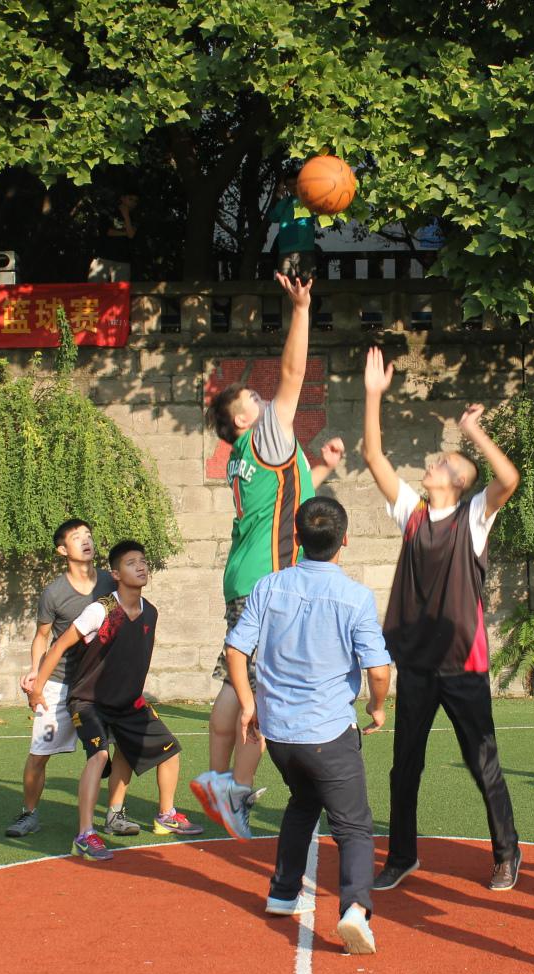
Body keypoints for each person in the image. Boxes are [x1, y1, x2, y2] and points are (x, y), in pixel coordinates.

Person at [359, 346, 523, 892]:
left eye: (441, 463)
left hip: (462, 666)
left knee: (482, 763)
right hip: (417, 665)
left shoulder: (472, 517)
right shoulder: (413, 515)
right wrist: (373, 395)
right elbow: (374, 456)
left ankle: (507, 852)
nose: (430, 465)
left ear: (455, 480)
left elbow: (508, 478)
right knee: (404, 764)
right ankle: (401, 855)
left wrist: (473, 433)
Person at [193, 273, 344, 837]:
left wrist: (320, 468)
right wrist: (301, 308)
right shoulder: (265, 435)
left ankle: (215, 779)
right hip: (271, 580)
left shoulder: (244, 457)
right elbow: (293, 374)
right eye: (251, 401)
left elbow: (283, 503)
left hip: (243, 577)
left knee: (233, 684)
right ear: (241, 420)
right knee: (264, 693)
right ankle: (235, 792)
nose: (262, 400)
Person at [224, 497, 391, 954]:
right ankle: (354, 909)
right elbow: (378, 670)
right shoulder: (355, 596)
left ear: (296, 538)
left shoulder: (268, 586)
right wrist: (378, 706)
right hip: (328, 732)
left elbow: (236, 649)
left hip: (279, 733)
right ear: (345, 540)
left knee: (302, 803)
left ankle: (283, 892)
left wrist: (247, 704)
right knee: (353, 827)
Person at [29, 540, 201, 858]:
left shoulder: (151, 612)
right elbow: (59, 646)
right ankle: (85, 834)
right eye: (131, 563)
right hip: (88, 701)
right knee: (99, 756)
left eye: (143, 561)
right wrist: (38, 688)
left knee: (170, 751)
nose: (140, 566)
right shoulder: (101, 610)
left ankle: (165, 816)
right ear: (116, 574)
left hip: (128, 702)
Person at [6, 520, 119, 839]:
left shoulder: (110, 582)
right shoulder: (54, 593)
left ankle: (115, 813)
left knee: (117, 749)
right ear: (62, 550)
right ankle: (29, 814)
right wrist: (35, 671)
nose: (86, 541)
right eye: (76, 537)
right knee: (39, 754)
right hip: (59, 682)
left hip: (100, 683)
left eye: (88, 535)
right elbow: (42, 636)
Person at [267, 171, 318, 280]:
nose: (293, 187)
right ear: (286, 187)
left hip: (305, 250)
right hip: (285, 251)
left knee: (307, 286)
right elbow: (273, 217)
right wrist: (283, 197)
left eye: (296, 183)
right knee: (286, 286)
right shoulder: (285, 202)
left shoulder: (309, 200)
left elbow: (320, 214)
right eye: (289, 185)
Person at [88, 192, 138, 282]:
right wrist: (126, 232)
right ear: (123, 198)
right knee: (94, 287)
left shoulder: (134, 217)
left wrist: (126, 216)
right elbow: (107, 232)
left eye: (135, 201)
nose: (133, 202)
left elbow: (131, 235)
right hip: (103, 257)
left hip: (123, 259)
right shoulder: (109, 213)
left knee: (121, 289)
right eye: (130, 199)